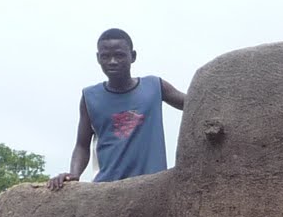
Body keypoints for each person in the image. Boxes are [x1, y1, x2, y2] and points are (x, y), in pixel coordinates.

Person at [49, 29, 186, 189]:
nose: (112, 61)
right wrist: (74, 174)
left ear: (133, 56)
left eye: (119, 55)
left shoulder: (154, 87)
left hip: (152, 189)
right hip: (109, 190)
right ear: (98, 58)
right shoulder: (90, 97)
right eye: (105, 56)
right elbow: (82, 145)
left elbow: (193, 103)